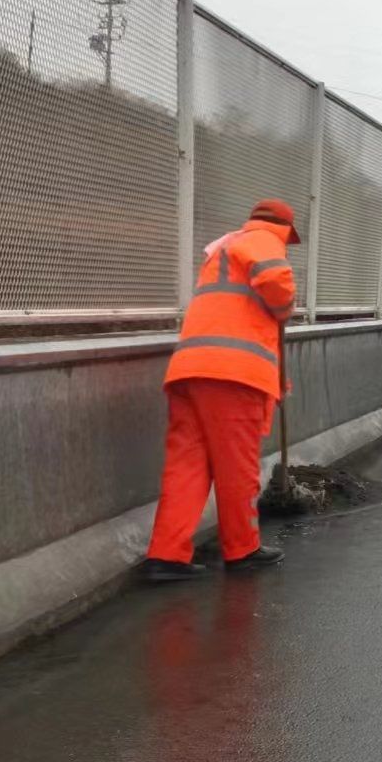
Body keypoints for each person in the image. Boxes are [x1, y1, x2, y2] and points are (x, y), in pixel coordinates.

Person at [140, 199, 298, 582]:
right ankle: (243, 549)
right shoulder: (264, 239)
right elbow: (277, 284)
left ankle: (166, 556)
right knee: (237, 465)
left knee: (187, 466)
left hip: (189, 370)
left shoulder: (224, 248)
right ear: (284, 229)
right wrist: (286, 307)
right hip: (233, 376)